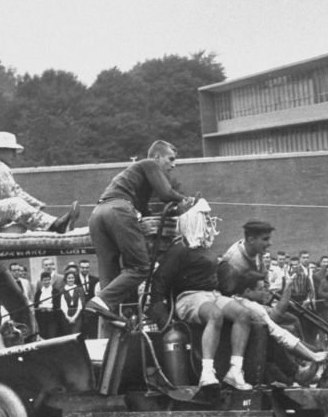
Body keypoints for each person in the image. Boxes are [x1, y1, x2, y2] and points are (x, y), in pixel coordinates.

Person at [150, 200, 254, 390]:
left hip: (211, 294)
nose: (209, 222)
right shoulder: (179, 249)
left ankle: (235, 371)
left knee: (243, 314)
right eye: (204, 218)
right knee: (215, 315)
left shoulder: (206, 247)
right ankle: (207, 373)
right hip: (189, 297)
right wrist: (161, 313)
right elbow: (159, 280)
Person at [86, 140, 189, 323]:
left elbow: (144, 210)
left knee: (109, 274)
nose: (174, 165)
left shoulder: (135, 178)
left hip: (97, 213)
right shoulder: (148, 164)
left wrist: (173, 211)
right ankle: (101, 301)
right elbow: (166, 194)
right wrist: (186, 201)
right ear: (157, 157)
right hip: (118, 210)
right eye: (170, 159)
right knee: (141, 267)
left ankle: (110, 319)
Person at [217, 220, 274, 296]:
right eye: (265, 239)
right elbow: (225, 296)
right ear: (251, 240)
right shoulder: (232, 263)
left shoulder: (256, 250)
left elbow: (264, 276)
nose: (270, 243)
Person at [33, 271, 62, 339]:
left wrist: (45, 306)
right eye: (44, 280)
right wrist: (42, 307)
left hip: (52, 317)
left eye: (48, 280)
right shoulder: (39, 292)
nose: (47, 282)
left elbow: (57, 304)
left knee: (52, 335)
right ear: (41, 281)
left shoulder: (55, 291)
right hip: (42, 318)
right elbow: (36, 305)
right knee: (43, 336)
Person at [61, 270, 85, 334]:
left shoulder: (79, 289)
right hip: (66, 314)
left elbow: (80, 305)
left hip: (77, 313)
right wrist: (68, 317)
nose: (71, 280)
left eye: (72, 278)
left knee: (76, 333)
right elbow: (63, 305)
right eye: (69, 278)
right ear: (66, 279)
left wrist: (74, 317)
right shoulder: (63, 290)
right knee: (67, 334)